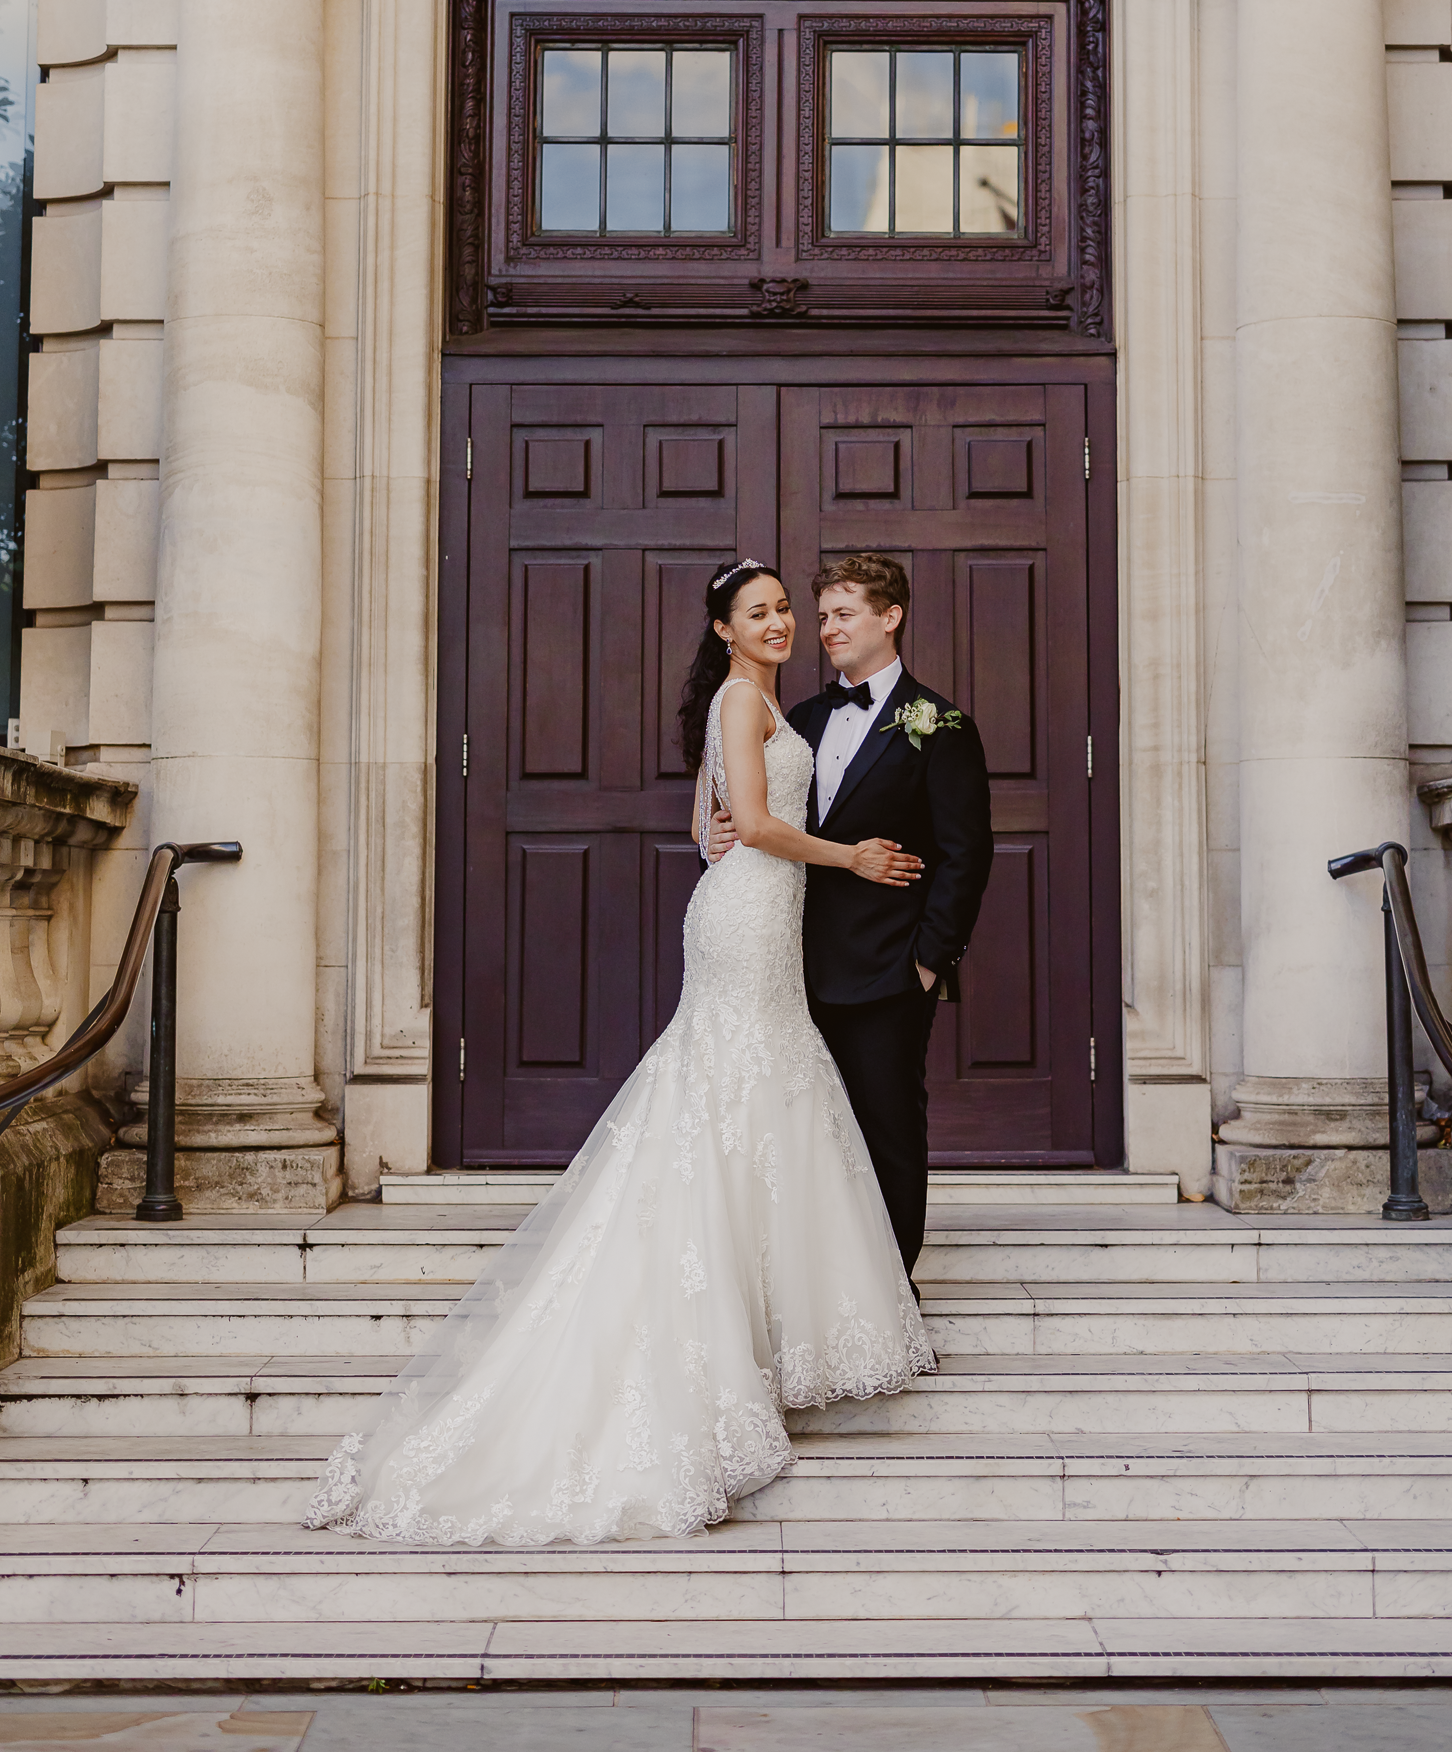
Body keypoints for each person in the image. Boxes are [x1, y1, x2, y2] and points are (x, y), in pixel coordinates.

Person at [301, 559, 934, 1548]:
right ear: (724, 629)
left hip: (762, 919)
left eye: (781, 611)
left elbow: (709, 823)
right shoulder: (740, 697)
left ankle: (747, 1324)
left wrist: (725, 829)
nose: (778, 623)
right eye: (758, 612)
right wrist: (845, 854)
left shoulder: (764, 703)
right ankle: (710, 1331)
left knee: (757, 1100)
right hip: (742, 924)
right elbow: (760, 826)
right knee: (728, 1090)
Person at [705, 552, 994, 1284]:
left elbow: (966, 854)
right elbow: (756, 816)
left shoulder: (942, 725)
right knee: (806, 1136)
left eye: (843, 614)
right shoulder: (798, 718)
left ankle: (891, 1295)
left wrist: (928, 960)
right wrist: (710, 832)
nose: (825, 629)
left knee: (886, 1131)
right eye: (823, 614)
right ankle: (820, 1295)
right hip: (788, 962)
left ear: (889, 617)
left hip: (888, 968)